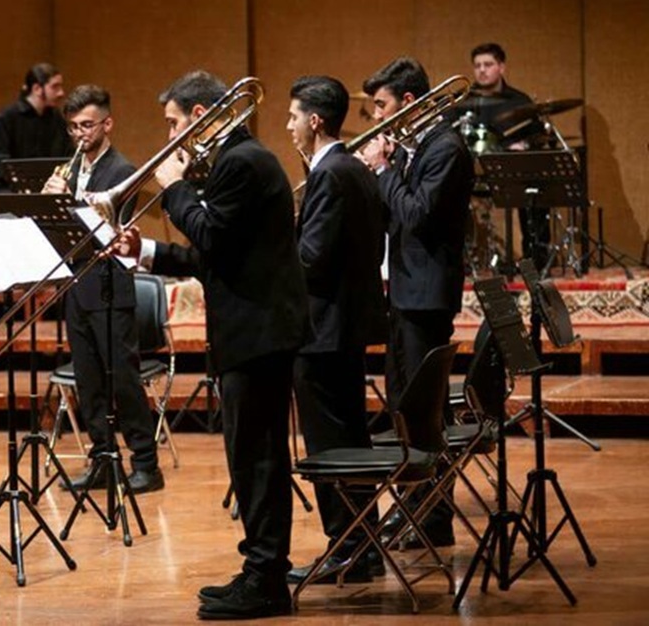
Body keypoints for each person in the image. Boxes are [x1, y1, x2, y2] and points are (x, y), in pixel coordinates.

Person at [115, 71, 307, 620]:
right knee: (250, 457)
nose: (169, 134)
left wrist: (174, 187)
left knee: (258, 459)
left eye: (173, 122)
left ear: (199, 116)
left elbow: (209, 236)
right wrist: (146, 251)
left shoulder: (241, 162)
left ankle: (267, 580)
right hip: (253, 331)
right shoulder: (240, 159)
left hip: (258, 334)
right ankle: (260, 568)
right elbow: (213, 257)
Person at [360, 57, 474, 549]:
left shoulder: (446, 147)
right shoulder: (416, 146)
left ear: (408, 102)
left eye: (381, 105)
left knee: (424, 410)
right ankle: (415, 506)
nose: (376, 116)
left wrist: (384, 168)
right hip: (405, 292)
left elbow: (418, 216)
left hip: (426, 298)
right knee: (403, 405)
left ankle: (434, 517)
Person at [284, 76, 388, 584]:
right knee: (350, 439)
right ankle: (362, 548)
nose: (288, 126)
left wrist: (271, 253)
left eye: (293, 117)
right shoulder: (357, 169)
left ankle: (346, 548)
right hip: (345, 328)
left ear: (315, 120)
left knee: (330, 448)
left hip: (322, 332)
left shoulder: (329, 173)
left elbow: (311, 259)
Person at [43, 85, 163, 494]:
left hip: (111, 285)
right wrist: (50, 205)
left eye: (87, 125)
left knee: (123, 381)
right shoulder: (70, 169)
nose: (80, 134)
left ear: (107, 124)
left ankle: (145, 464)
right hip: (77, 285)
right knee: (88, 381)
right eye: (74, 127)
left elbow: (116, 231)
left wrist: (71, 206)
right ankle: (102, 459)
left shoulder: (123, 171)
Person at [462, 43, 551, 266]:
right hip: (471, 172)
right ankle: (460, 257)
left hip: (512, 172)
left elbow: (538, 137)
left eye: (488, 64)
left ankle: (536, 258)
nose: (482, 70)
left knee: (536, 186)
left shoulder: (520, 101)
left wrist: (524, 145)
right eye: (477, 65)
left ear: (501, 67)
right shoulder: (463, 102)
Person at [0, 62, 72, 192]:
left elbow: (68, 155)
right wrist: (24, 184)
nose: (61, 93)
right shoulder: (7, 117)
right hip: (10, 189)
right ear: (37, 89)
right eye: (55, 87)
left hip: (45, 188)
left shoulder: (57, 119)